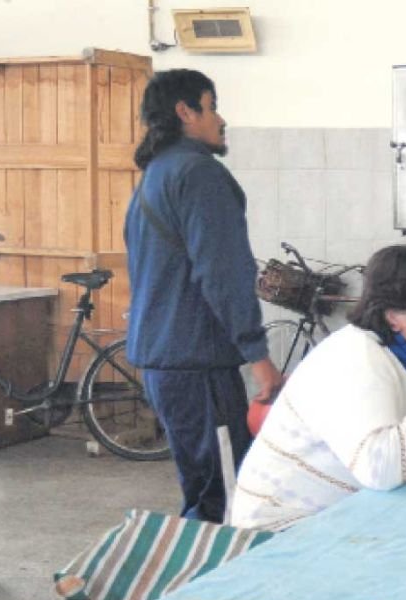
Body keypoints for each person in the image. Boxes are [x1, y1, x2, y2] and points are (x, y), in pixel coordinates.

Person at [230, 244, 406, 531]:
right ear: (393, 315)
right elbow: (382, 469)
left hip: (353, 515)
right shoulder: (353, 358)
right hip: (283, 528)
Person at [124, 69, 282, 524]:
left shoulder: (155, 175)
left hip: (165, 362)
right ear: (185, 112)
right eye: (212, 107)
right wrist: (258, 357)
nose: (221, 120)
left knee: (204, 487)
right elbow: (224, 273)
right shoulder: (199, 174)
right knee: (226, 497)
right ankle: (215, 570)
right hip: (198, 363)